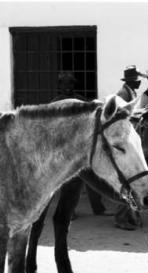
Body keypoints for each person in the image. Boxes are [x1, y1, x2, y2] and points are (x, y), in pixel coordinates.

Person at [52, 71, 108, 218]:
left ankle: (98, 207)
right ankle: (70, 211)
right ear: (59, 85)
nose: (67, 86)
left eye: (70, 83)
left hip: (83, 145)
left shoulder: (80, 100)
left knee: (92, 177)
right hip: (66, 147)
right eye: (64, 83)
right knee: (68, 182)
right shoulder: (55, 102)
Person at [114, 65, 144, 230]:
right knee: (127, 180)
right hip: (124, 141)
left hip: (129, 138)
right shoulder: (123, 94)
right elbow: (122, 118)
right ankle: (121, 217)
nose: (140, 83)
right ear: (133, 81)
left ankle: (131, 214)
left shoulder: (129, 92)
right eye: (138, 80)